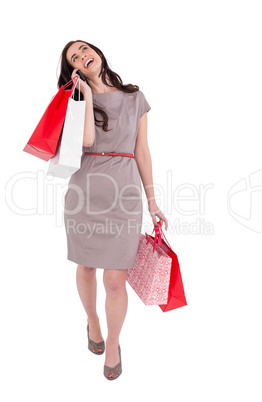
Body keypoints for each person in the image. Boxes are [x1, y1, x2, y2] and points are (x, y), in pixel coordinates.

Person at [57, 39, 168, 380]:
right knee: (87, 267)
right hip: (85, 190)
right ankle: (92, 320)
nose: (82, 56)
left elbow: (143, 152)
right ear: (73, 69)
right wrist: (86, 96)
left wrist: (151, 199)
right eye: (74, 58)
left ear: (97, 51)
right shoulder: (74, 99)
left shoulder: (135, 97)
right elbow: (87, 140)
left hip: (124, 193)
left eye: (83, 49)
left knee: (116, 279)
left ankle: (115, 342)